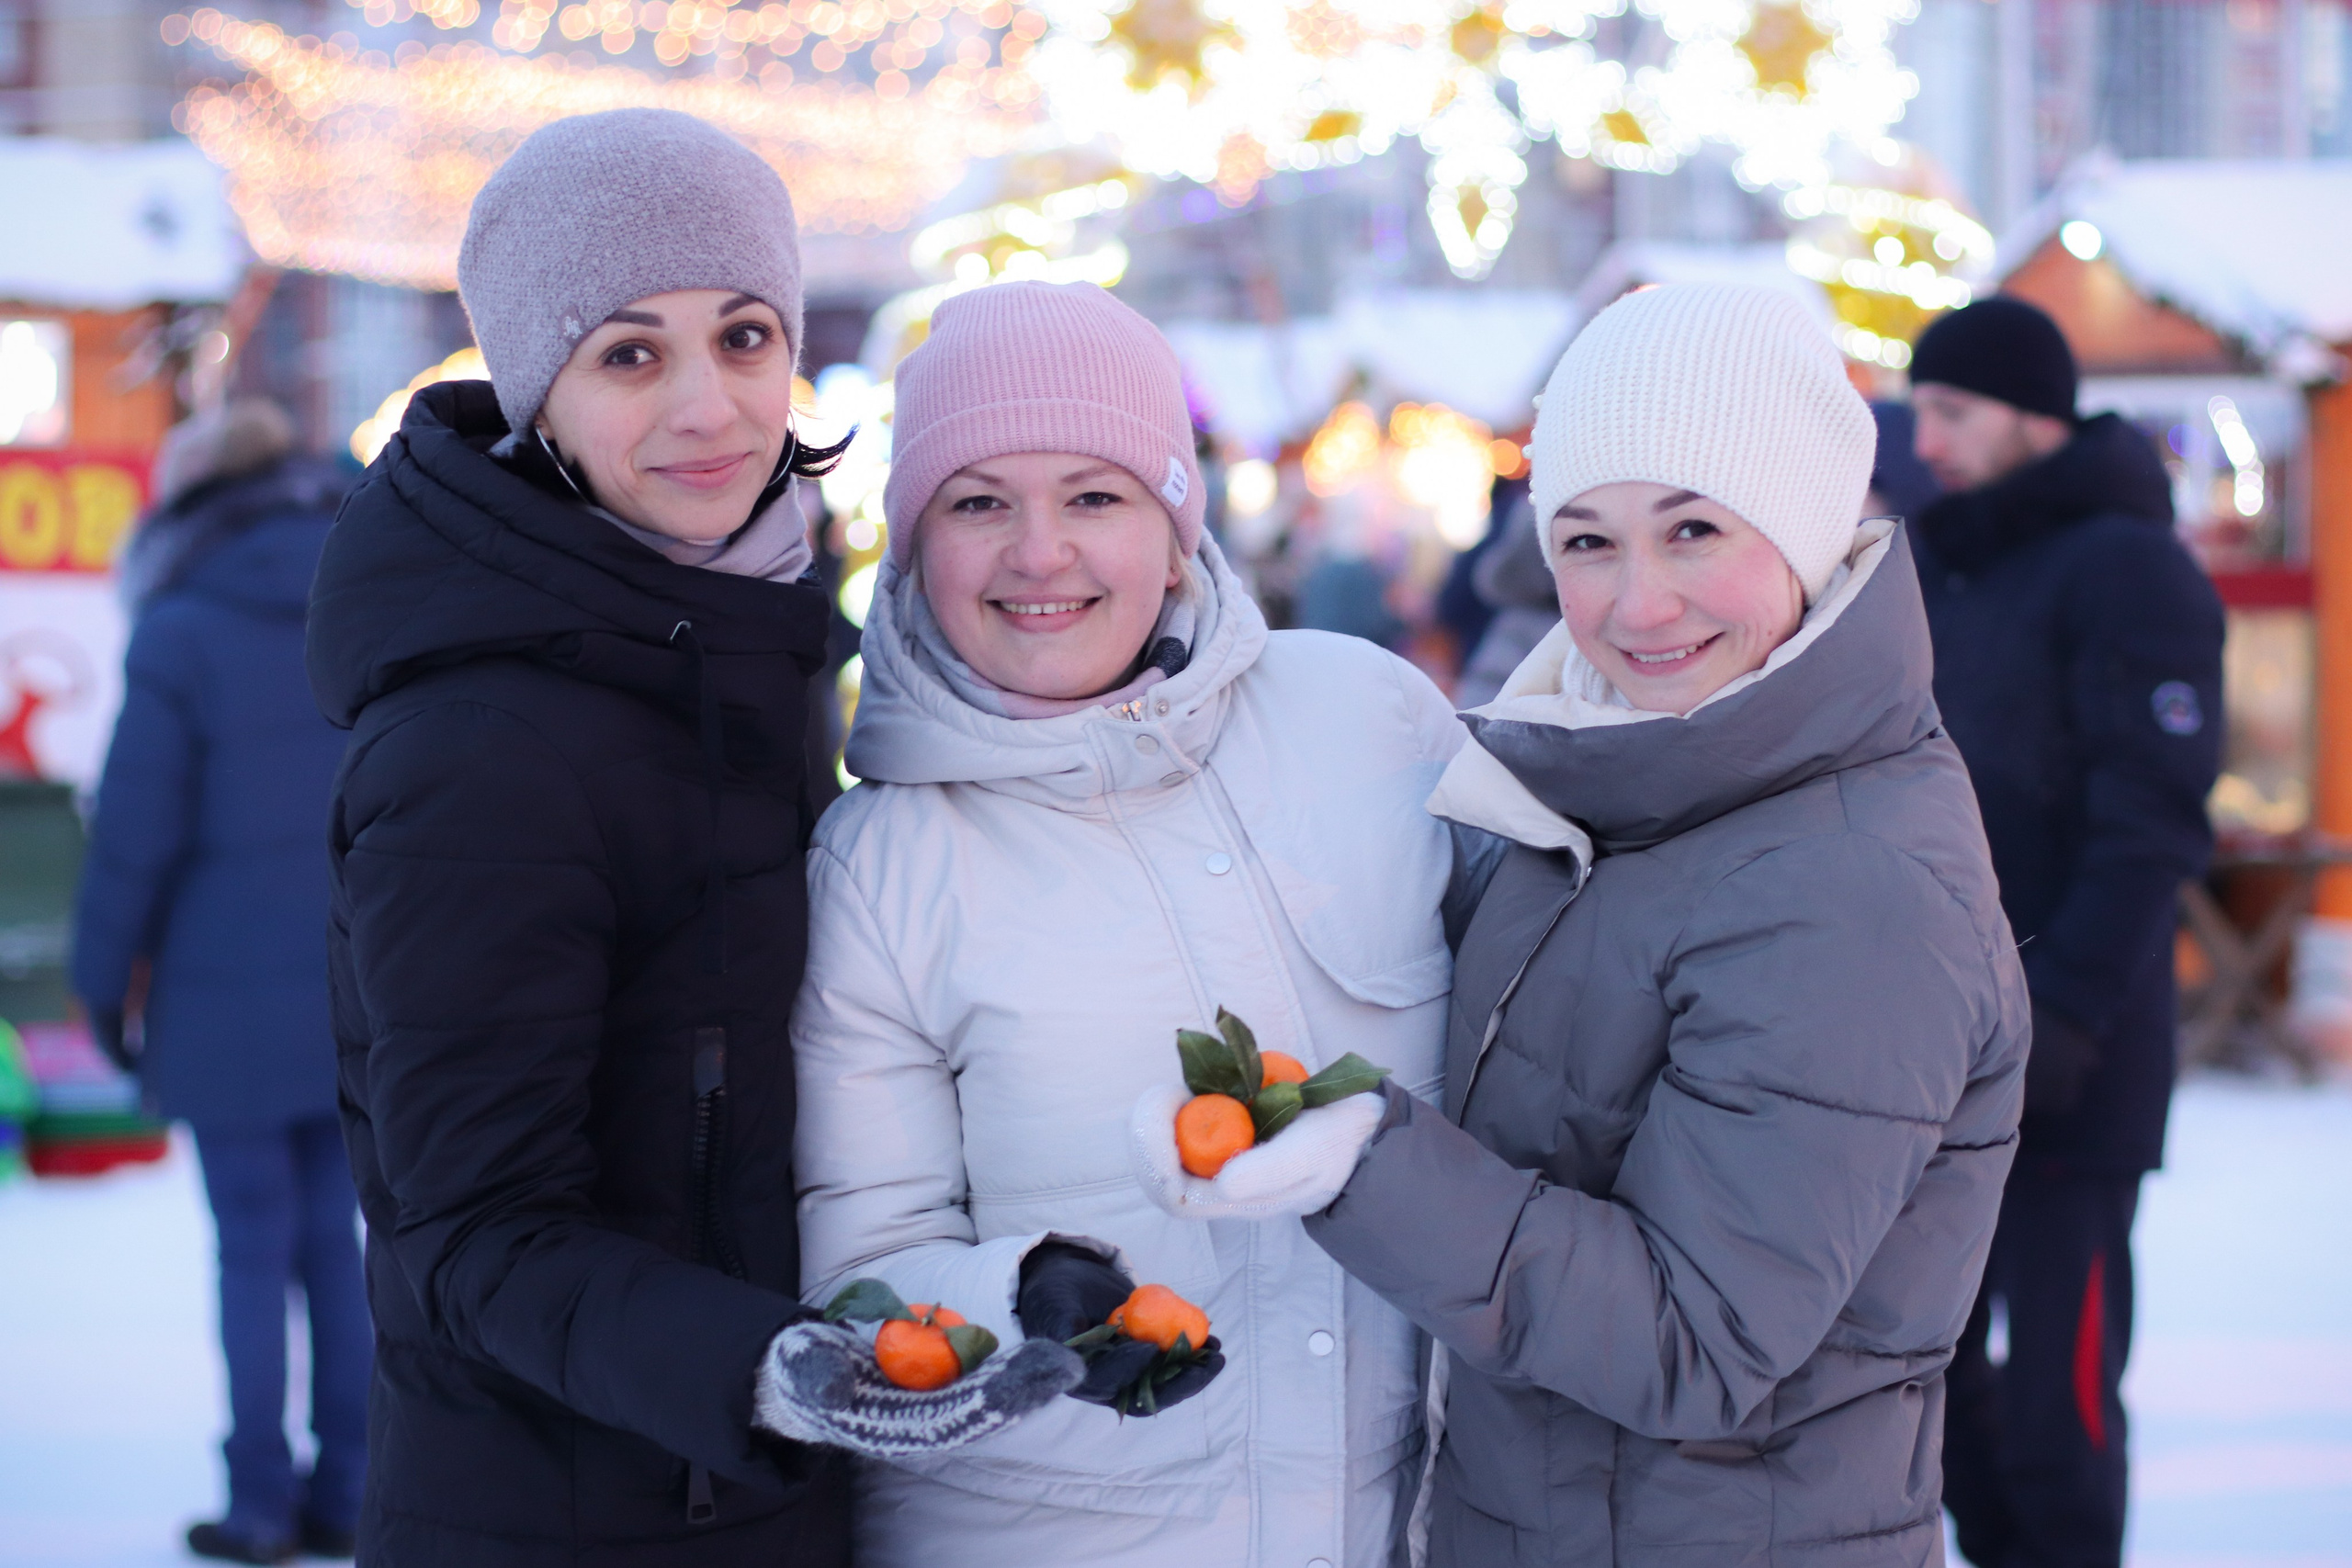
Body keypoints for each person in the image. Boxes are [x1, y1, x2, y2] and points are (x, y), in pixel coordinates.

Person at [1136, 282, 2031, 1566]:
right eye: (1588, 540)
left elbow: (1693, 1336)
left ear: (1809, 523)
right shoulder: (1623, 786)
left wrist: (1365, 1161)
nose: (1636, 604)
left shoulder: (1851, 884)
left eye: (1693, 528)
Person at [302, 110, 1074, 1568]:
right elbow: (472, 1233)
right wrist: (767, 1365)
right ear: (540, 391)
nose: (712, 406)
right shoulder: (485, 745)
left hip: (756, 1497)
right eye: (630, 353)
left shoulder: (738, 639)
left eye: (745, 334)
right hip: (565, 1513)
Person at [791, 279, 1466, 1568]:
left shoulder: (1370, 721)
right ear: (913, 543)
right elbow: (861, 1270)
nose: (1040, 554)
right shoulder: (881, 866)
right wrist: (1027, 1300)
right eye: (978, 502)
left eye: (1094, 496)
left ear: (1175, 527)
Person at [1908, 297, 2224, 1568]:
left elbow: (2151, 816)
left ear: (2034, 413)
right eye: (1920, 406)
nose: (1923, 437)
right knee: (1925, 1375)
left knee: (2058, 1402)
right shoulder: (1949, 558)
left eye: (1952, 411)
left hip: (2074, 1063)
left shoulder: (2130, 565)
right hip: (1943, 1050)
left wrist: (2073, 1013)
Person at [71, 399, 368, 1565]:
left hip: (214, 992)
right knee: (337, 1244)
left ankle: (256, 1506)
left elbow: (133, 837)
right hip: (351, 984)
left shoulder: (180, 627)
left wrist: (103, 989)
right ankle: (348, 1489)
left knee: (250, 1247)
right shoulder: (360, 596)